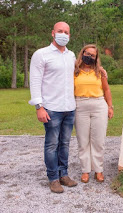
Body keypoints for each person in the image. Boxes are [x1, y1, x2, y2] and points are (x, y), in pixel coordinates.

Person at [29, 22, 77, 193]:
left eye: (66, 32)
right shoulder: (41, 54)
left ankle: (63, 174)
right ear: (53, 33)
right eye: (60, 31)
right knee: (51, 144)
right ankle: (53, 178)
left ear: (69, 35)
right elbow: (35, 81)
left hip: (69, 108)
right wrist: (39, 106)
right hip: (51, 108)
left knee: (65, 143)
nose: (63, 34)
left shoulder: (71, 55)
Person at [74, 44, 113, 183]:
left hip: (98, 105)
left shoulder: (100, 72)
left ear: (96, 58)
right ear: (82, 53)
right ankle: (85, 170)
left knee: (98, 140)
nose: (89, 57)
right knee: (83, 140)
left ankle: (98, 170)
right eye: (87, 53)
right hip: (80, 105)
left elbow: (107, 90)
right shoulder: (74, 71)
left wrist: (110, 106)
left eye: (92, 55)